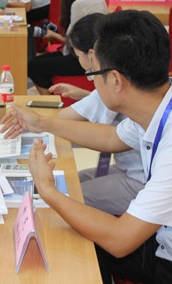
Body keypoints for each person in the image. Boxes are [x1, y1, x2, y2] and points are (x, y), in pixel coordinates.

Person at [1, 10, 172, 284]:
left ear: (116, 80)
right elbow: (111, 138)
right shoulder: (166, 103)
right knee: (74, 239)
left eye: (93, 73)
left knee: (77, 248)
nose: (92, 82)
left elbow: (120, 240)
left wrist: (47, 189)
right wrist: (42, 123)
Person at [51, 14, 145, 215]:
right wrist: (85, 95)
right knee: (73, 180)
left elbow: (60, 121)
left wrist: (37, 120)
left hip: (140, 180)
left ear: (92, 55)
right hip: (134, 168)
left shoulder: (107, 84)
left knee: (69, 195)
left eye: (78, 55)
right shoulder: (124, 75)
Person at [28, 0, 108, 94]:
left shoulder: (79, 4)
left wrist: (53, 35)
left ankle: (50, 101)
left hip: (83, 59)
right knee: (39, 62)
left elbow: (72, 43)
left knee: (34, 66)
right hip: (99, 56)